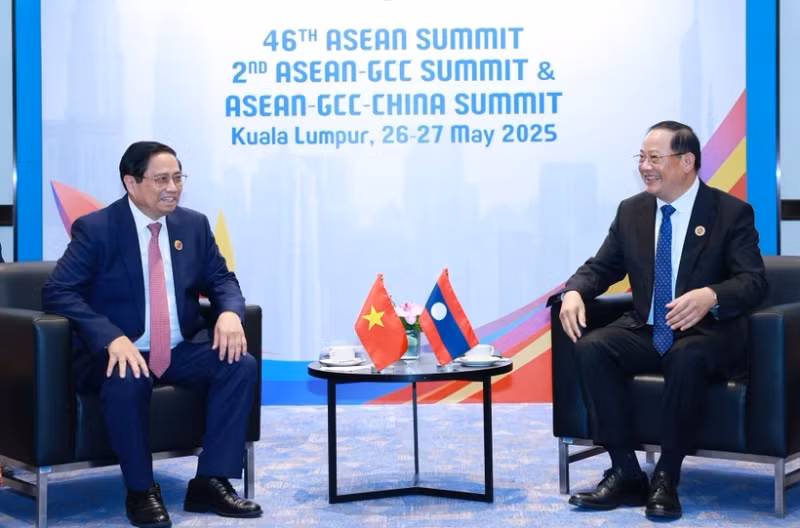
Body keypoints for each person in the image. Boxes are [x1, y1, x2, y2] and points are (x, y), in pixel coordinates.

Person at [42, 141, 262, 527]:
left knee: (238, 364)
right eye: (162, 179)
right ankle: (142, 491)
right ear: (131, 182)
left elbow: (222, 279)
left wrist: (229, 313)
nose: (173, 187)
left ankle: (210, 481)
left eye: (178, 177)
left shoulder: (193, 225)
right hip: (120, 351)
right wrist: (110, 336)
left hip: (178, 348)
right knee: (127, 376)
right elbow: (58, 291)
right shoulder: (97, 229)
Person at [559, 121, 767, 520]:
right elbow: (601, 267)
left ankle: (666, 476)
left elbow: (754, 282)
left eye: (655, 158)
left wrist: (712, 296)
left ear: (687, 161)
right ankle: (626, 472)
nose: (645, 166)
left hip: (707, 332)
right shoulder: (632, 211)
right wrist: (574, 291)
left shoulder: (730, 213)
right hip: (647, 327)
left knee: (686, 357)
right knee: (590, 348)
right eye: (641, 157)